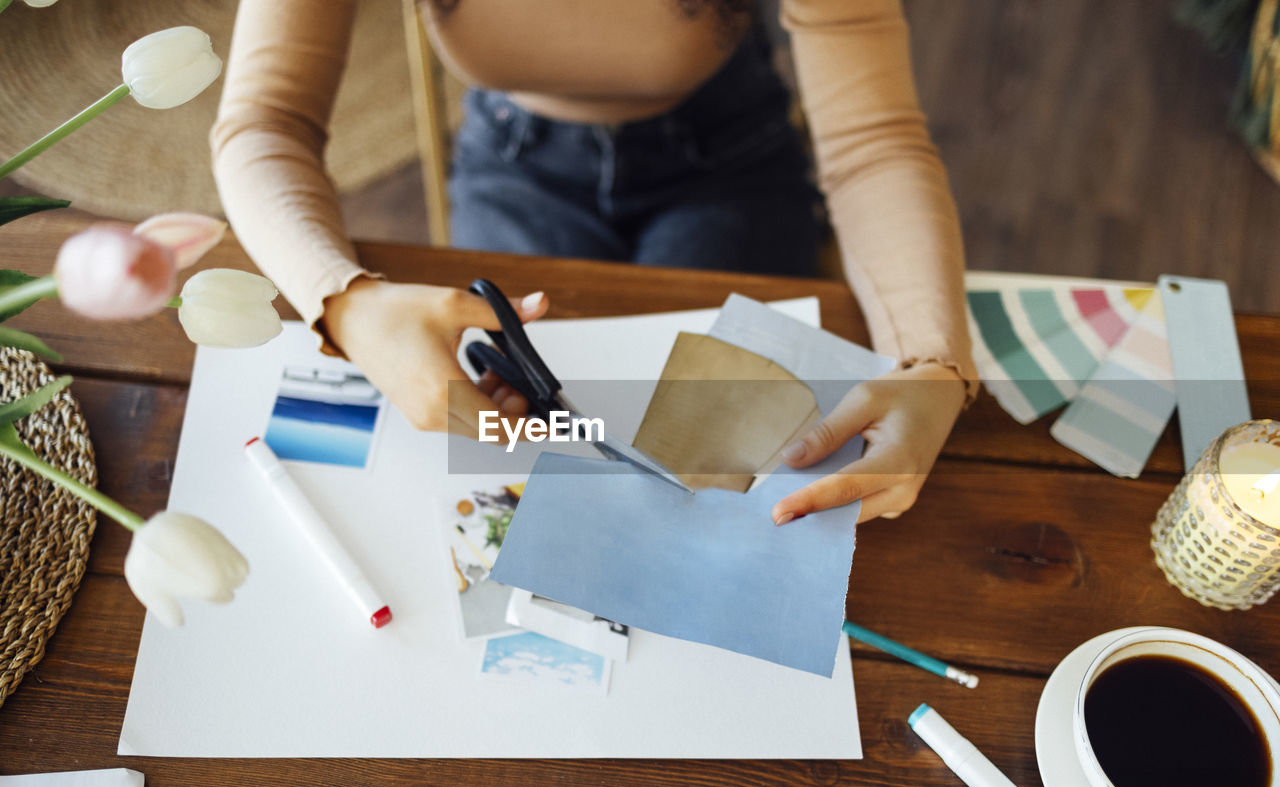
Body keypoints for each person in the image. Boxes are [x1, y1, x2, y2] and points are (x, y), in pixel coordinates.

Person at [211, 0, 978, 524]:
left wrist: (934, 364)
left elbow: (874, 143)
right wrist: (344, 302)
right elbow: (263, 121)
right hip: (516, 158)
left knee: (726, 467)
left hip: (728, 159)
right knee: (535, 477)